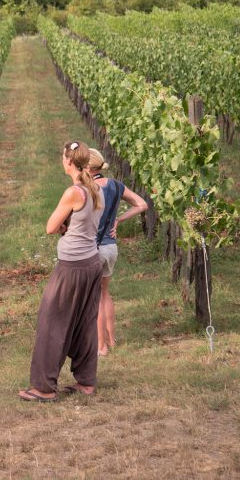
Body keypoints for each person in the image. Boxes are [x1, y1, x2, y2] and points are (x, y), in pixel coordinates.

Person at [20, 141, 104, 402]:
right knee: (85, 322)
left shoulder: (74, 193)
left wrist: (62, 227)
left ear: (69, 162)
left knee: (51, 322)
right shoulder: (97, 189)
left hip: (72, 266)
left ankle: (44, 387)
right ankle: (86, 381)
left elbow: (50, 226)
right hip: (92, 262)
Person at [88, 148, 147, 356]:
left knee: (94, 297)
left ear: (87, 167)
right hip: (111, 247)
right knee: (105, 293)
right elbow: (142, 204)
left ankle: (101, 346)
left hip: (93, 247)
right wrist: (120, 219)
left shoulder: (88, 188)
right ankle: (111, 340)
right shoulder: (115, 185)